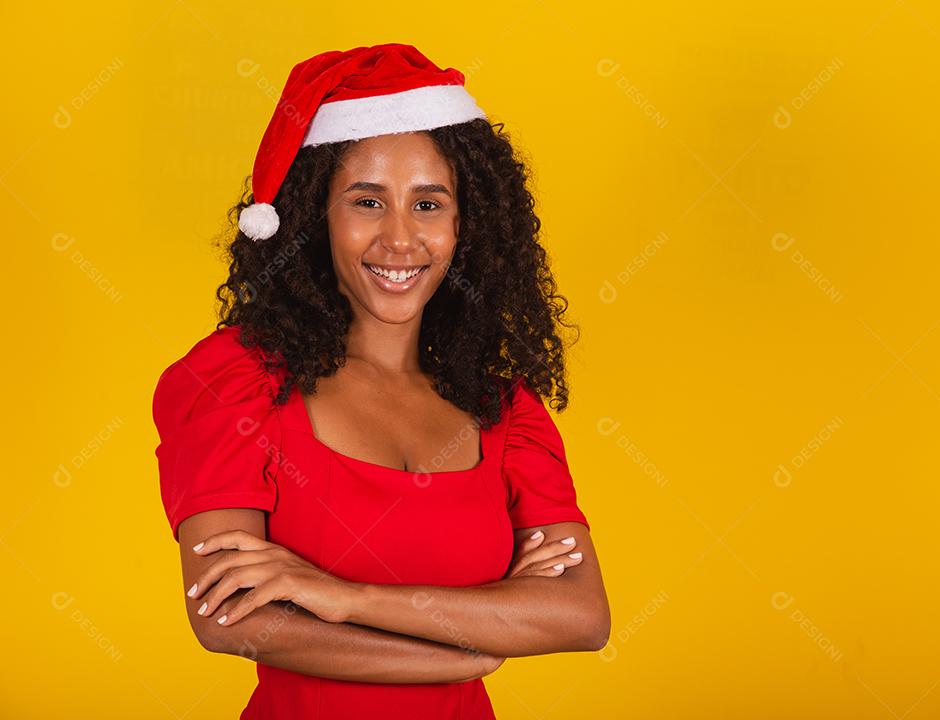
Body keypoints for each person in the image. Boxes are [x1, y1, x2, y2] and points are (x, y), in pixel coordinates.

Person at [150, 42, 610, 719]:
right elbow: (230, 618)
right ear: (316, 220)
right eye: (367, 202)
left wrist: (341, 598)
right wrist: (471, 645)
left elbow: (579, 614)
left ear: (464, 225)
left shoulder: (503, 407)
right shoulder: (234, 383)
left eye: (429, 205)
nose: (401, 239)